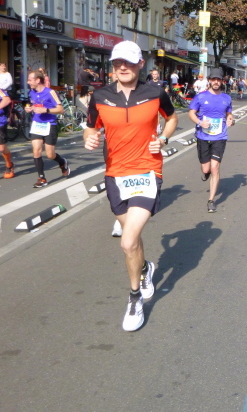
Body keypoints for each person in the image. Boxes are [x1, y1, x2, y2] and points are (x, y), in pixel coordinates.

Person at [83, 40, 178, 332]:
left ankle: (135, 297)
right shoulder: (100, 96)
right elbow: (91, 126)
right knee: (132, 240)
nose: (122, 67)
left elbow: (172, 118)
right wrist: (89, 138)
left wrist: (164, 139)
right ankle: (146, 267)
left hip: (147, 171)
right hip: (115, 174)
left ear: (140, 64)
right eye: (117, 62)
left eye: (128, 62)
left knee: (126, 242)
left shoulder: (155, 93)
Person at [188, 67, 234, 213]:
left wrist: (230, 119)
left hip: (219, 137)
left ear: (222, 81)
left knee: (215, 167)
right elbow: (191, 113)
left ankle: (211, 200)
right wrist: (200, 123)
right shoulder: (201, 97)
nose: (216, 82)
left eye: (218, 80)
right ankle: (205, 172)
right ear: (209, 80)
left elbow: (229, 114)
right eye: (213, 79)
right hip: (203, 136)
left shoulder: (226, 98)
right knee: (206, 168)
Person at [26, 70, 71, 188]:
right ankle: (41, 178)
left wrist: (46, 110)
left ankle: (62, 162)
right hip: (37, 124)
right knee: (36, 150)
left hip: (49, 124)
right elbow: (35, 105)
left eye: (30, 80)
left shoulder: (50, 92)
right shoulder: (32, 93)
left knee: (50, 154)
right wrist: (30, 108)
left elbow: (60, 109)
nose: (28, 82)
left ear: (38, 80)